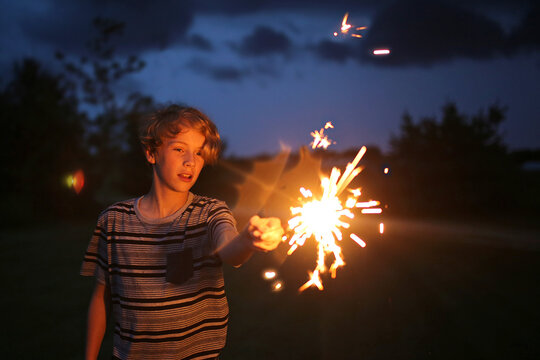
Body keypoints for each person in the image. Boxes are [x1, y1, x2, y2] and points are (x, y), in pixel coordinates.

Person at [80, 104, 284, 360]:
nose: (190, 162)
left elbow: (230, 250)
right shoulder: (113, 220)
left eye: (199, 153)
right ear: (151, 153)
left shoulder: (210, 212)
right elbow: (101, 297)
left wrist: (249, 239)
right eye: (179, 149)